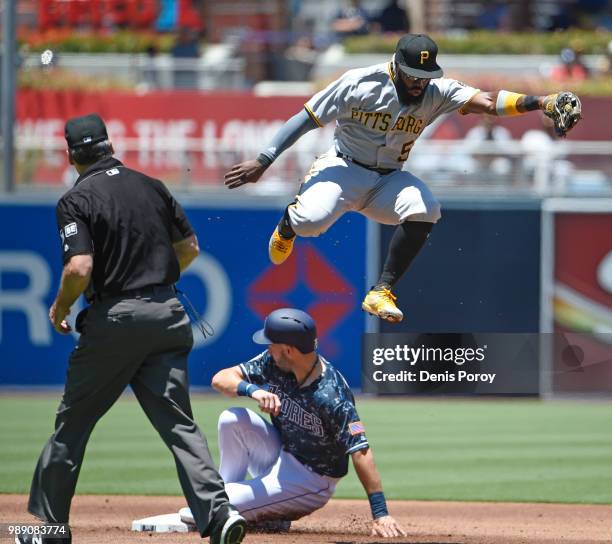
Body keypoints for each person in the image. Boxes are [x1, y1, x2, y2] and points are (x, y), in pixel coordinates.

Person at [224, 33, 579, 323]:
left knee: (426, 207)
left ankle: (381, 291)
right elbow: (306, 118)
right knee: (311, 222)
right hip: (343, 168)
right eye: (412, 75)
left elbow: (487, 101)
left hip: (388, 179)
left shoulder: (437, 92)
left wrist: (541, 101)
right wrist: (264, 159)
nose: (419, 83)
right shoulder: (359, 82)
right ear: (396, 64)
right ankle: (288, 225)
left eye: (426, 77)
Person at [20, 114, 246, 544]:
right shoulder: (151, 185)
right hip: (168, 314)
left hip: (117, 320)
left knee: (73, 424)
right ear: (108, 145)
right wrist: (156, 279)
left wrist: (61, 304)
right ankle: (218, 515)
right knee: (179, 424)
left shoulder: (76, 199)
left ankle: (49, 531)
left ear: (71, 155)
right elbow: (190, 248)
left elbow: (79, 266)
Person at [178, 308, 405, 538]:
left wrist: (380, 513)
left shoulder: (332, 395)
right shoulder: (273, 362)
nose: (267, 348)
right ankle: (230, 501)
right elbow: (220, 379)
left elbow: (361, 450)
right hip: (281, 452)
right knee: (232, 419)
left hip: (311, 480)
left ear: (288, 350)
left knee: (206, 506)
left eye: (271, 344)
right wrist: (253, 391)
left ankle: (229, 505)